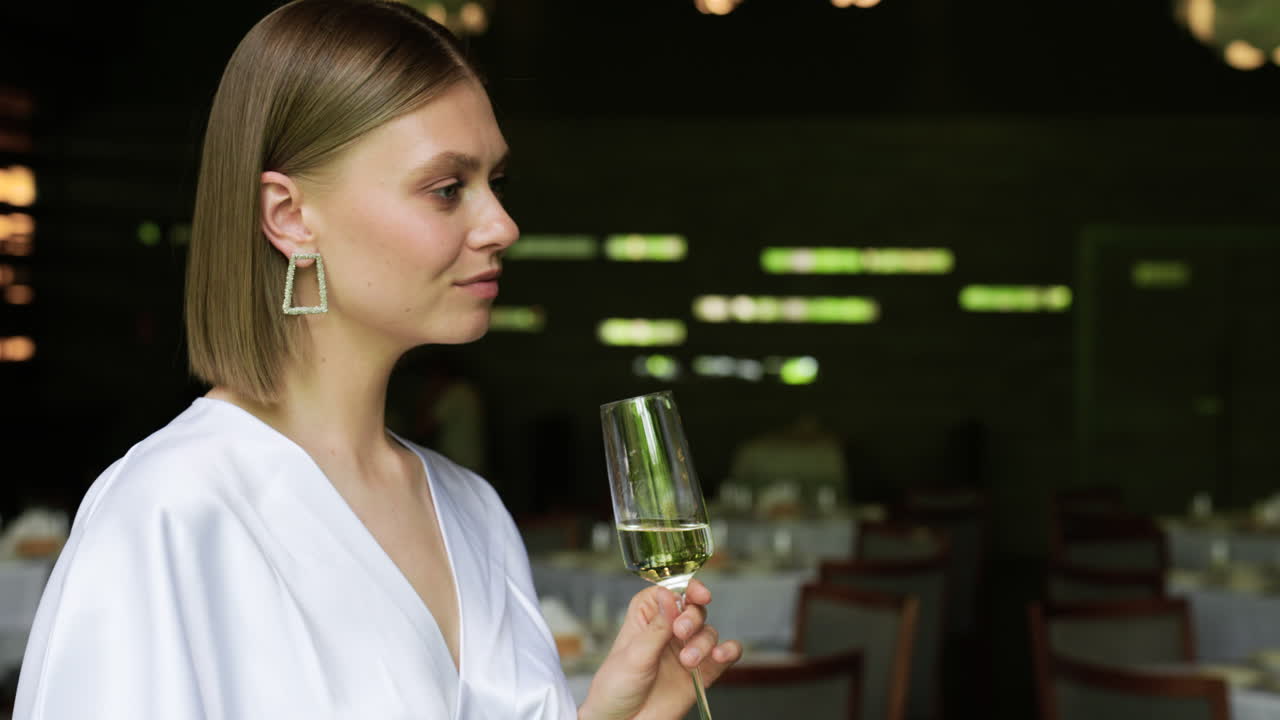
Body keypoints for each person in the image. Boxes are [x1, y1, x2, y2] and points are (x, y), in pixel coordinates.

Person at [13, 2, 740, 718]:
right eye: (448, 188)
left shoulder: (474, 513)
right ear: (290, 217)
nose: (503, 225)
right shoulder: (169, 511)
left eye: (497, 183)